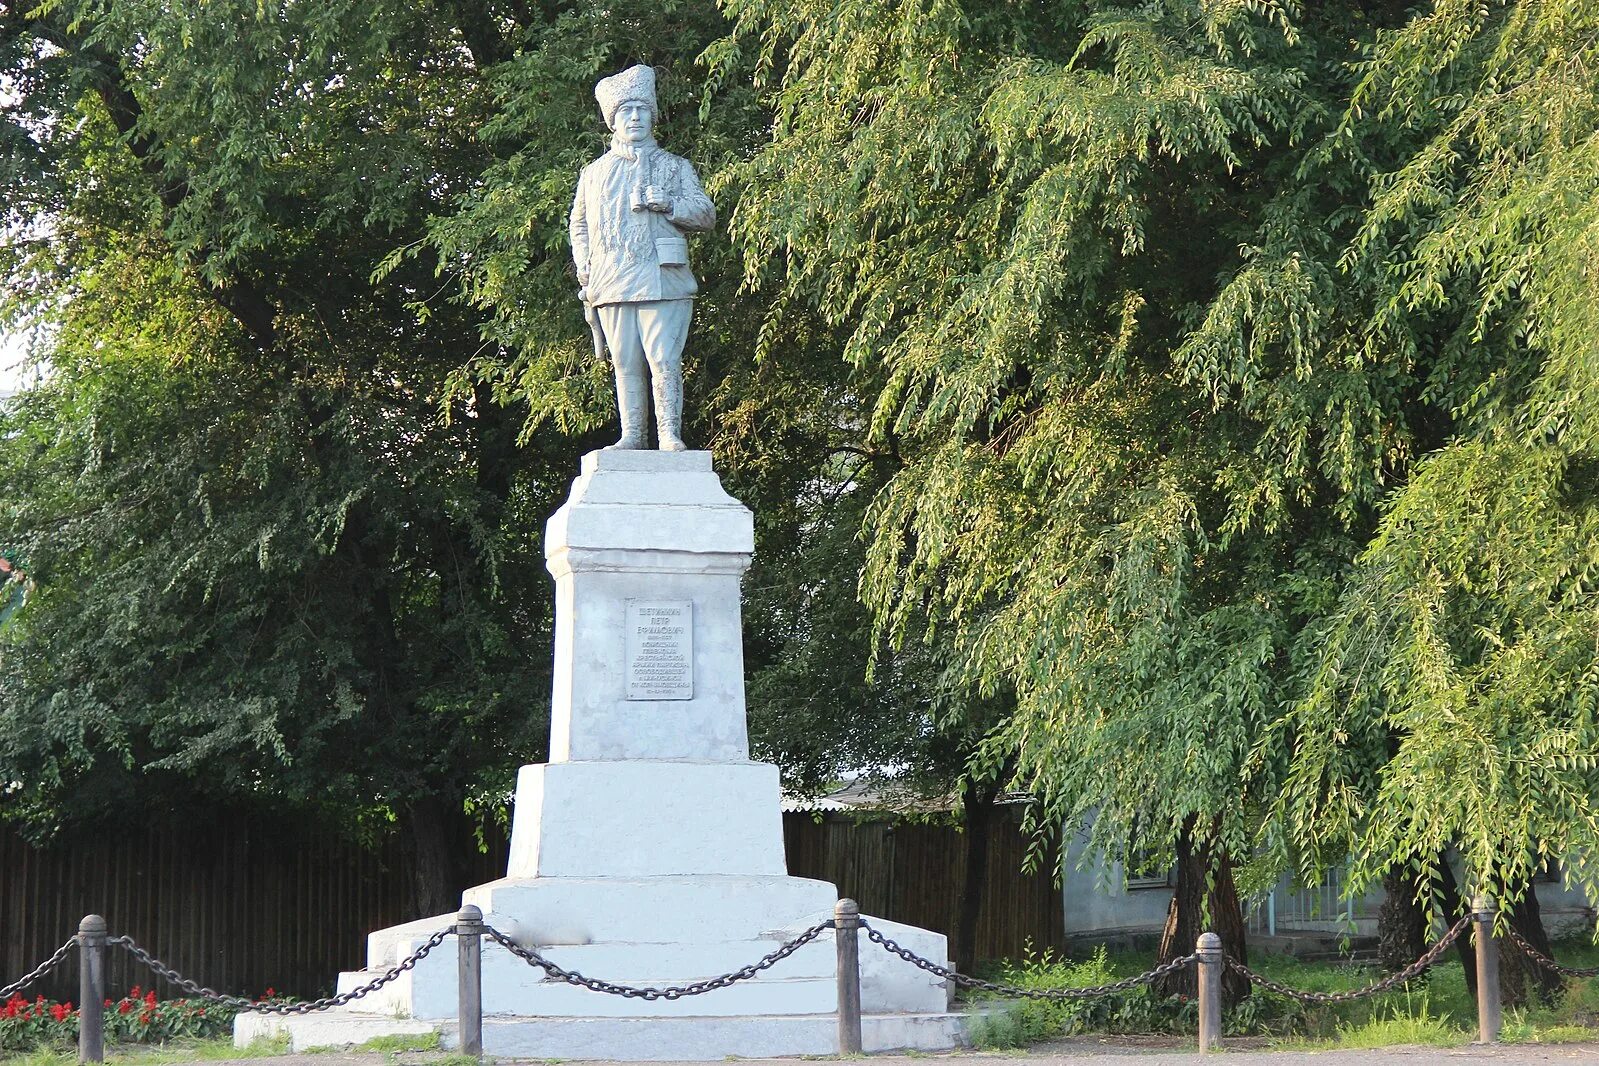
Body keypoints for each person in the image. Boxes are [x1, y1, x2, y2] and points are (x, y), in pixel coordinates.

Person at [569, 64, 716, 451]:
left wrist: (669, 204)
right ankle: (631, 436)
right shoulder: (594, 173)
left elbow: (706, 214)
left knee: (664, 359)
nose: (634, 118)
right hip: (612, 279)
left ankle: (669, 434)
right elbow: (579, 224)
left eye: (642, 111)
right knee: (625, 363)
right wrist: (584, 264)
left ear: (652, 116)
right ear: (612, 122)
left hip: (663, 277)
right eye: (625, 113)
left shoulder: (674, 166)